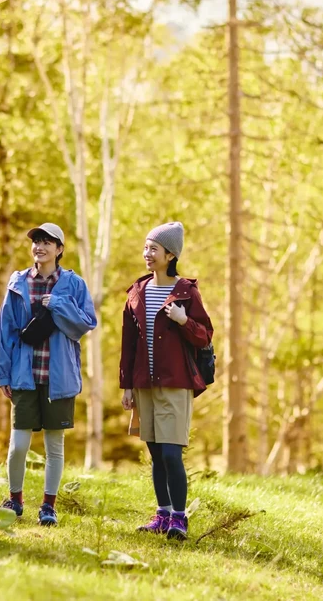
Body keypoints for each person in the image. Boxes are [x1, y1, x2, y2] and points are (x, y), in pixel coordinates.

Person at [0, 223, 97, 526]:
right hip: (24, 374)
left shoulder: (74, 285)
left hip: (58, 377)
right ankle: (15, 498)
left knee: (54, 446)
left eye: (47, 242)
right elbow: (5, 330)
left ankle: (48, 506)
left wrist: (60, 304)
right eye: (36, 242)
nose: (40, 247)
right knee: (18, 445)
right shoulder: (18, 283)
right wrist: (3, 373)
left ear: (60, 249)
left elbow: (86, 324)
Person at [119, 221, 213, 541]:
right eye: (146, 247)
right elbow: (128, 343)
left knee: (172, 453)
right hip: (144, 383)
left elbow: (204, 336)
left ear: (170, 255)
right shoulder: (137, 291)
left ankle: (179, 518)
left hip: (176, 383)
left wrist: (184, 320)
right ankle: (162, 514)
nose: (147, 253)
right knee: (156, 454)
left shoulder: (186, 291)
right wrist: (127, 386)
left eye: (153, 249)